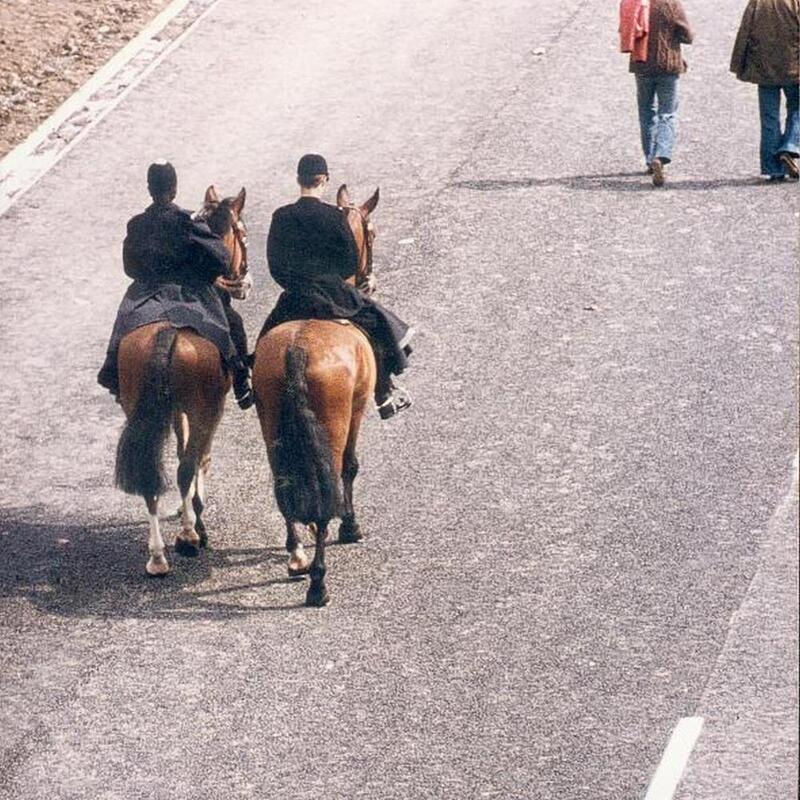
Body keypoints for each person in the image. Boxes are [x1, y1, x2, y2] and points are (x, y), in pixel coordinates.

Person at [258, 154, 413, 420]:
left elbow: (275, 266)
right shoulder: (334, 217)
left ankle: (254, 385)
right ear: (324, 180)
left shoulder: (281, 216)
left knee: (263, 343)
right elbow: (349, 263)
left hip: (294, 297)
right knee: (379, 324)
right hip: (334, 295)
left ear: (298, 180)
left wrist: (295, 283)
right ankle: (384, 393)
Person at [97, 161, 254, 409]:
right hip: (187, 292)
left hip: (146, 293)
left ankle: (114, 375)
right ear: (174, 189)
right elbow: (222, 258)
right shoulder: (188, 222)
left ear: (150, 189)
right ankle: (241, 382)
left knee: (124, 321)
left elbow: (130, 267)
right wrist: (204, 275)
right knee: (231, 324)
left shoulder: (137, 224)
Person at [620, 0, 694, 186]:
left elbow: (625, 29)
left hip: (641, 64)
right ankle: (660, 156)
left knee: (646, 112)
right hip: (667, 66)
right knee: (667, 113)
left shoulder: (633, 2)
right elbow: (687, 35)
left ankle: (650, 158)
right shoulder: (670, 3)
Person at [731, 0, 800, 181]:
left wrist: (738, 64)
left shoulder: (758, 2)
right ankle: (790, 146)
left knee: (769, 118)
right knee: (797, 108)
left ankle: (773, 169)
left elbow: (745, 32)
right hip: (794, 68)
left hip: (764, 70)